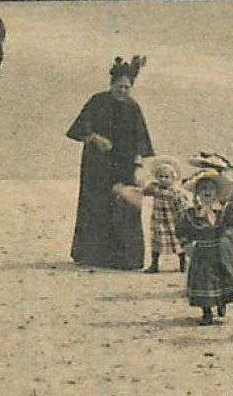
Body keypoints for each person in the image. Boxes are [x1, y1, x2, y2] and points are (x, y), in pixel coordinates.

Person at [66, 56, 153, 269]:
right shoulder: (97, 101)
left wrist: (139, 163)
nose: (122, 91)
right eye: (119, 86)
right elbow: (78, 128)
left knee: (125, 206)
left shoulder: (133, 107)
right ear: (111, 84)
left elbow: (142, 139)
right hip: (97, 165)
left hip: (124, 165)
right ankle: (92, 255)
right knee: (96, 206)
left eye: (126, 87)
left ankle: (126, 258)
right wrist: (95, 137)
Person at [178, 164, 233, 325]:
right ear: (197, 193)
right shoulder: (191, 213)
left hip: (221, 250)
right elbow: (183, 229)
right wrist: (186, 243)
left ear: (217, 192)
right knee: (203, 280)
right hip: (201, 251)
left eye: (211, 189)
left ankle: (222, 302)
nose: (207, 192)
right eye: (203, 189)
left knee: (223, 277)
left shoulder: (224, 210)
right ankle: (206, 312)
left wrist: (229, 234)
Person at [140, 157, 191, 274]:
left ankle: (183, 263)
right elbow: (145, 190)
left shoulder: (176, 192)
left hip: (172, 222)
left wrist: (182, 218)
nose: (163, 179)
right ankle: (154, 264)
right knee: (156, 243)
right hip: (158, 221)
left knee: (178, 243)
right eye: (160, 176)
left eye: (167, 177)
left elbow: (182, 206)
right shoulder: (155, 189)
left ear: (173, 178)